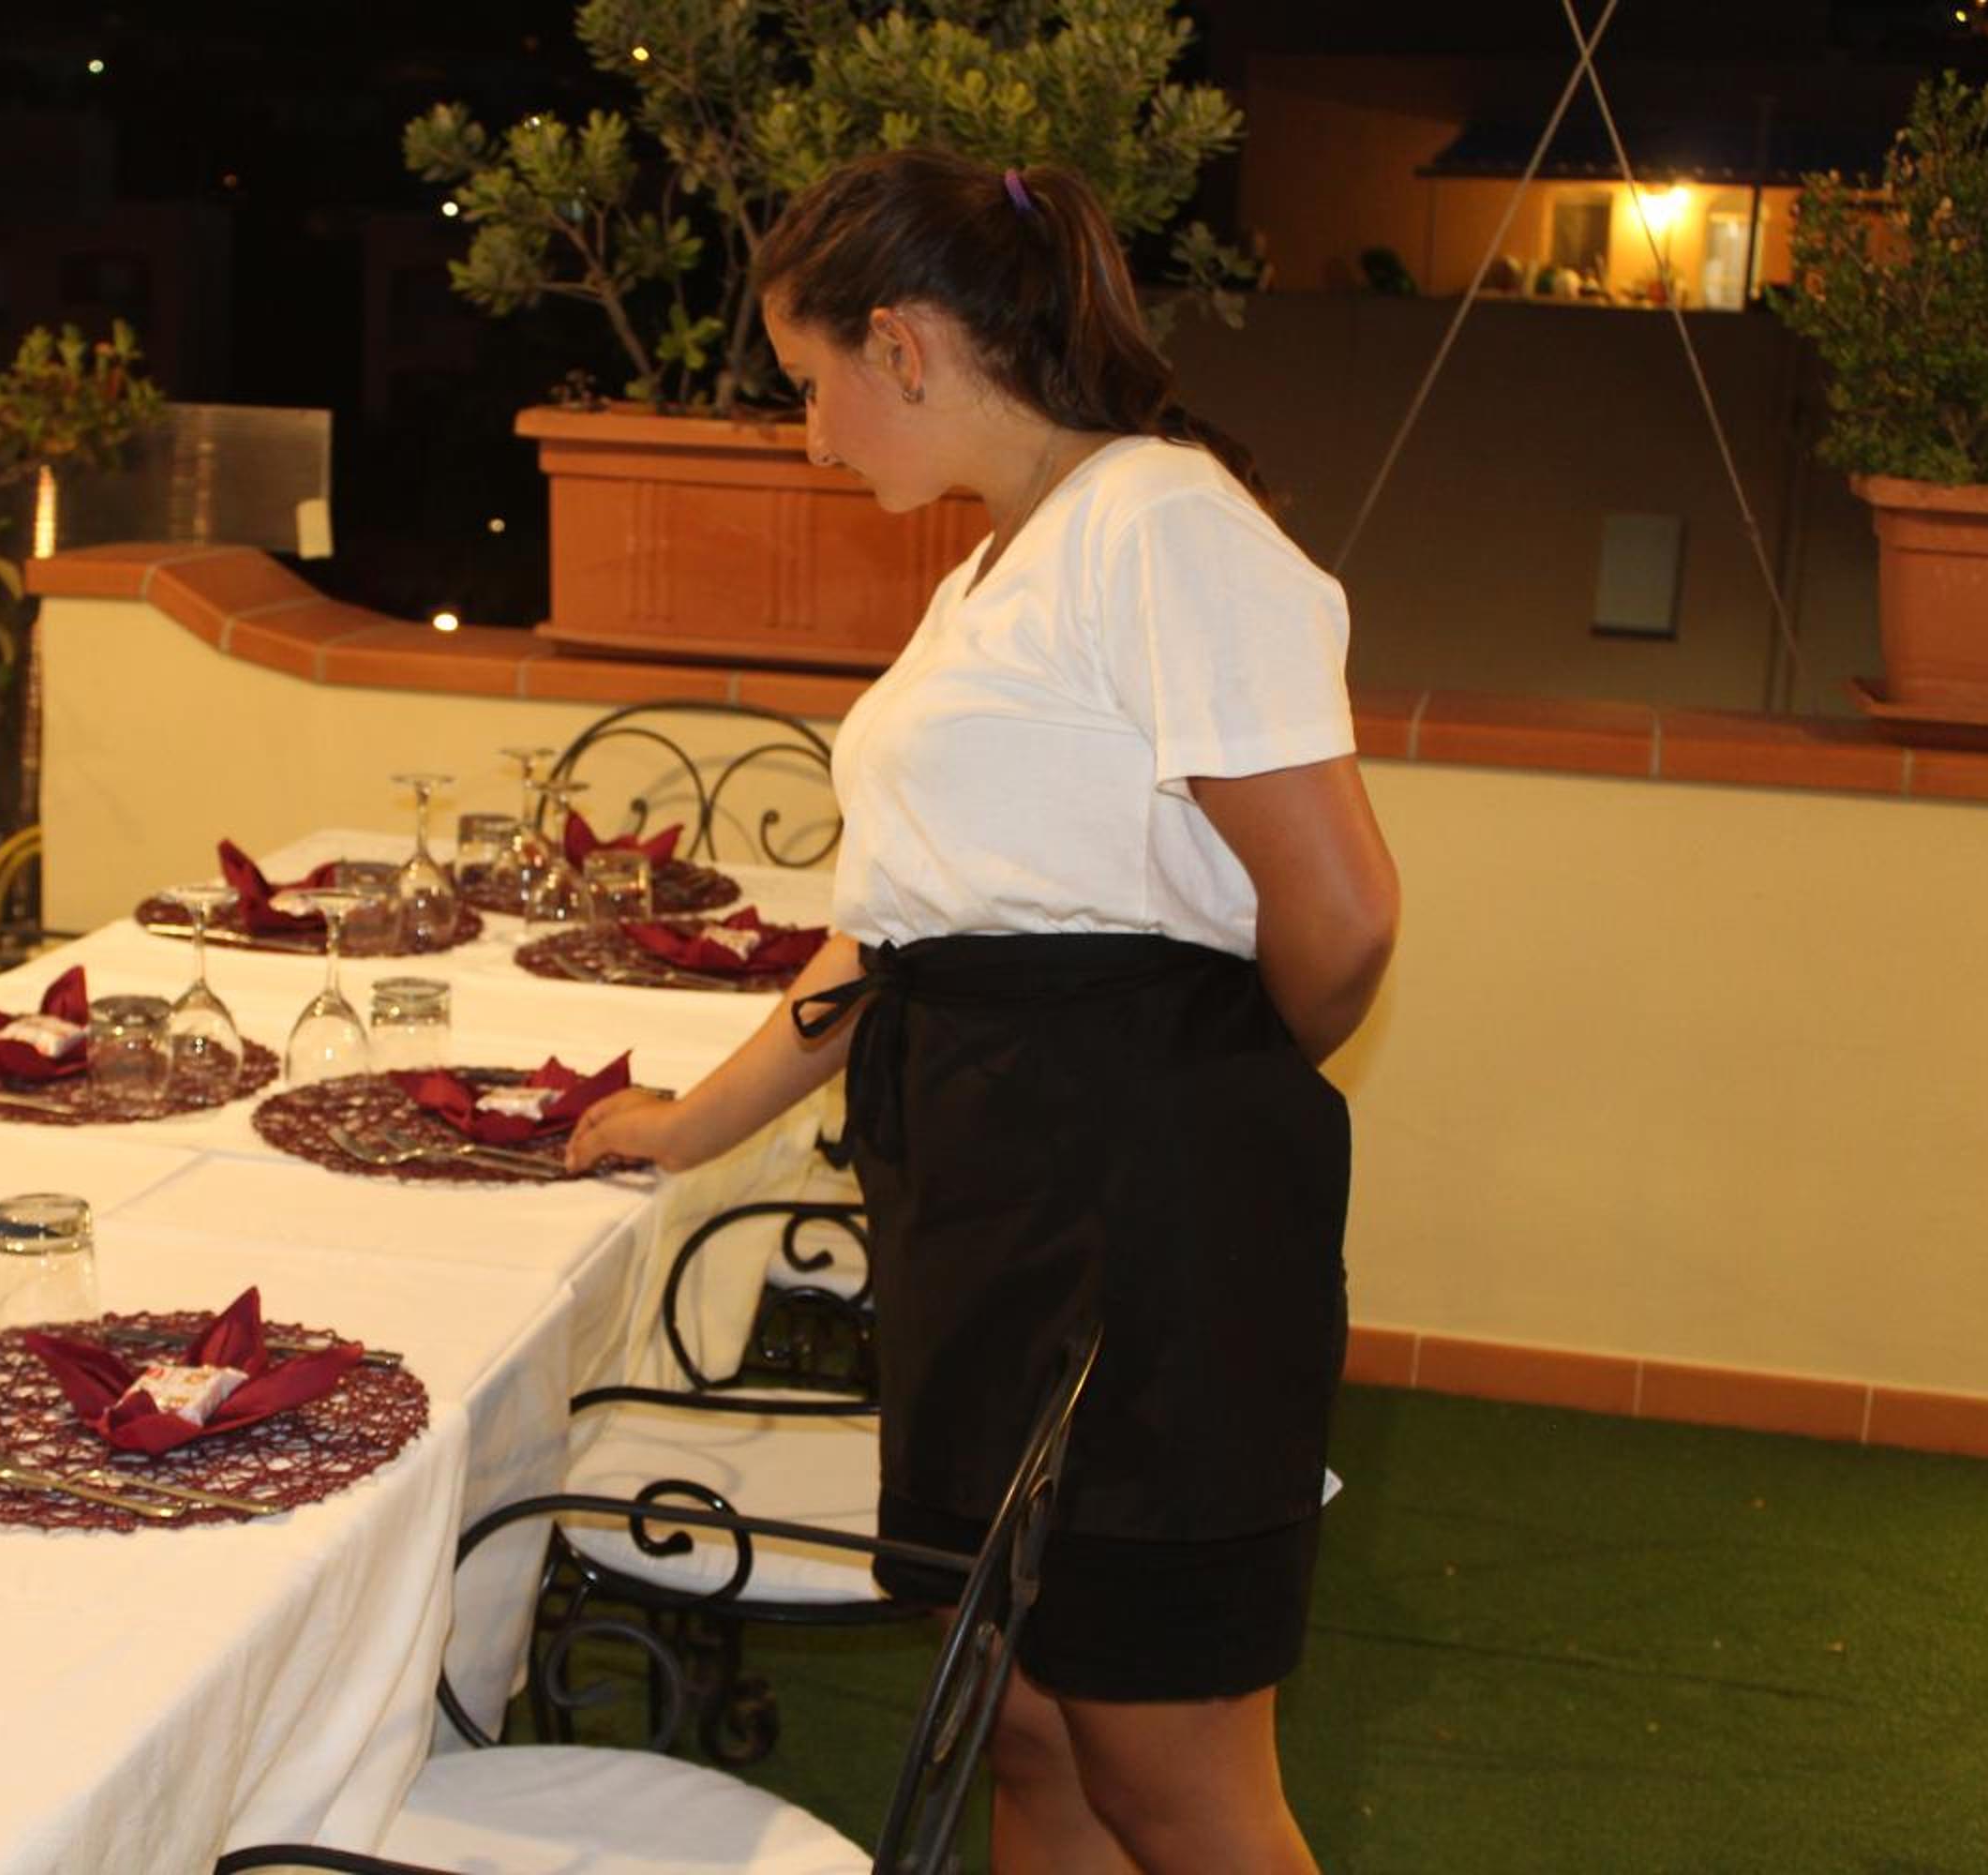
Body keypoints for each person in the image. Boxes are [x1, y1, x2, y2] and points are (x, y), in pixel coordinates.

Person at [567, 148, 1398, 1873]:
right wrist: (689, 1126)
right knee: (1023, 1722)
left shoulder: (1162, 525)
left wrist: (1180, 1106)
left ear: (907, 344)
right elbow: (902, 930)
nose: (813, 437)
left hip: (1129, 1213)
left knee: (1171, 1775)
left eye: (812, 386)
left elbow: (1343, 919)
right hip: (994, 1200)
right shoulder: (1005, 562)